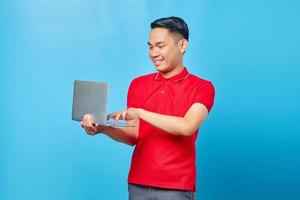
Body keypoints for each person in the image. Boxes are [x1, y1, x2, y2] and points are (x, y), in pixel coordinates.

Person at [81, 16, 215, 200]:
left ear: (182, 46)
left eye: (160, 46)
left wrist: (141, 113)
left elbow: (187, 127)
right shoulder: (138, 85)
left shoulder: (202, 87)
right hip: (138, 183)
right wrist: (103, 128)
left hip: (176, 186)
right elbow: (134, 136)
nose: (154, 53)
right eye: (150, 47)